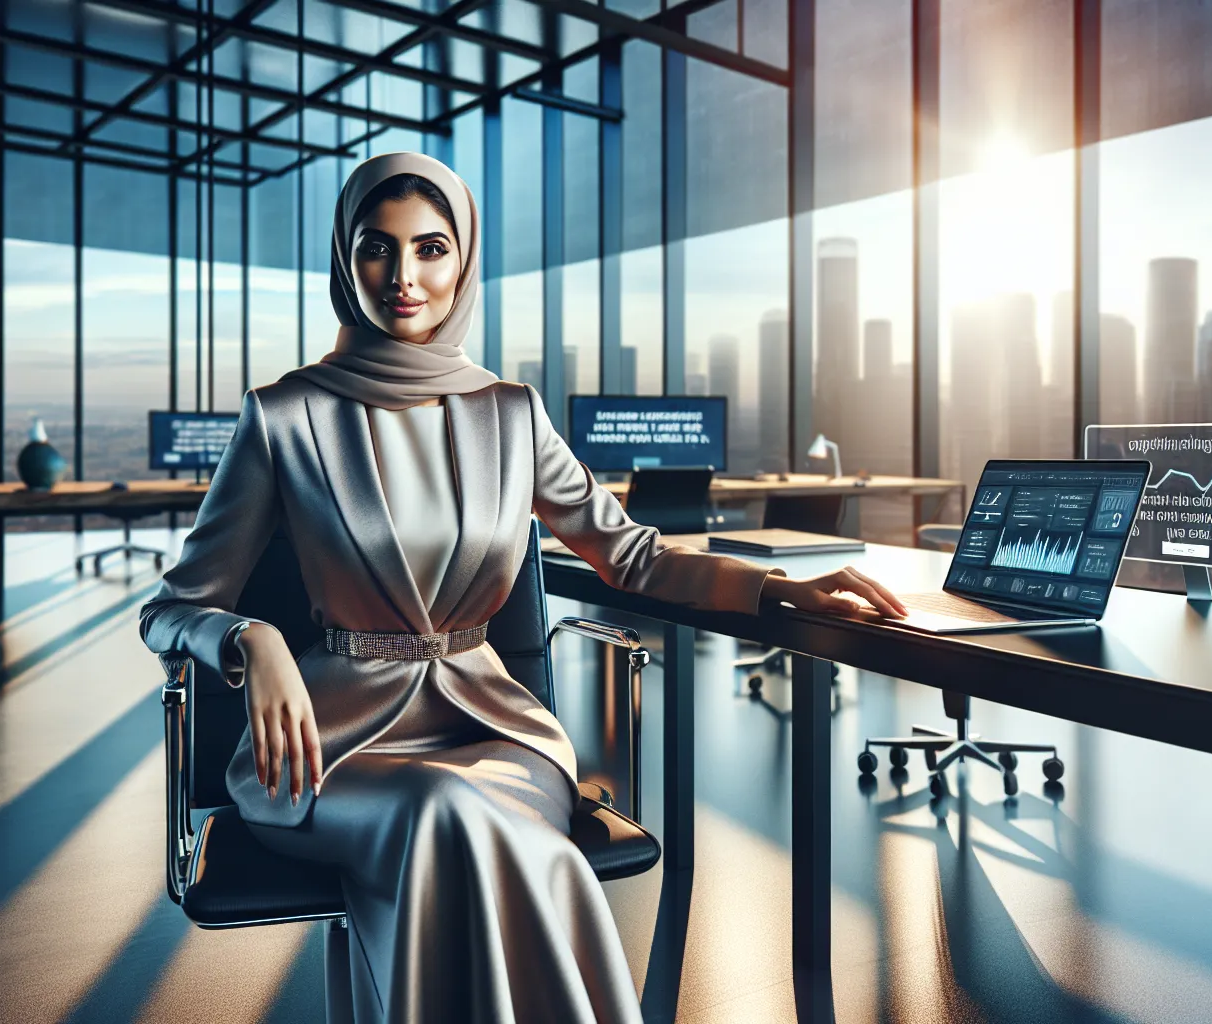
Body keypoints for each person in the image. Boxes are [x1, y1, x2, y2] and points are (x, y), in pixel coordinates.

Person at [139, 152, 905, 1024]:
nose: (403, 277)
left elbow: (634, 555)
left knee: (459, 811)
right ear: (346, 263)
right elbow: (169, 609)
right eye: (376, 248)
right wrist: (251, 639)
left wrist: (773, 589)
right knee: (441, 813)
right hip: (332, 749)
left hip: (493, 732)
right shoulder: (284, 416)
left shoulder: (509, 414)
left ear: (464, 260)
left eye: (431, 249)